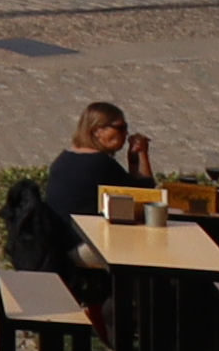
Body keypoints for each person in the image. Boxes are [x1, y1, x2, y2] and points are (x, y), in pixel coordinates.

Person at [16, 100, 151, 269]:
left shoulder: (66, 157)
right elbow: (147, 196)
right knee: (145, 251)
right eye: (120, 128)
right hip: (79, 246)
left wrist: (133, 160)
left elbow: (134, 192)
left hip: (58, 243)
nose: (126, 134)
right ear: (97, 131)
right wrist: (142, 154)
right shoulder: (100, 163)